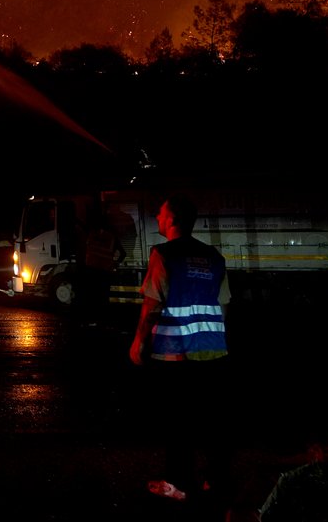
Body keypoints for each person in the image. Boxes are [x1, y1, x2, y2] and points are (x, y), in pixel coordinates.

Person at [129, 192, 233, 512]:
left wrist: (138, 342)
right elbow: (224, 304)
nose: (157, 219)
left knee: (177, 421)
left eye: (160, 214)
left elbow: (152, 304)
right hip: (212, 351)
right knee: (212, 420)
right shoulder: (214, 256)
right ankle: (217, 481)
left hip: (175, 353)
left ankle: (177, 485)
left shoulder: (163, 254)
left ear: (172, 220)